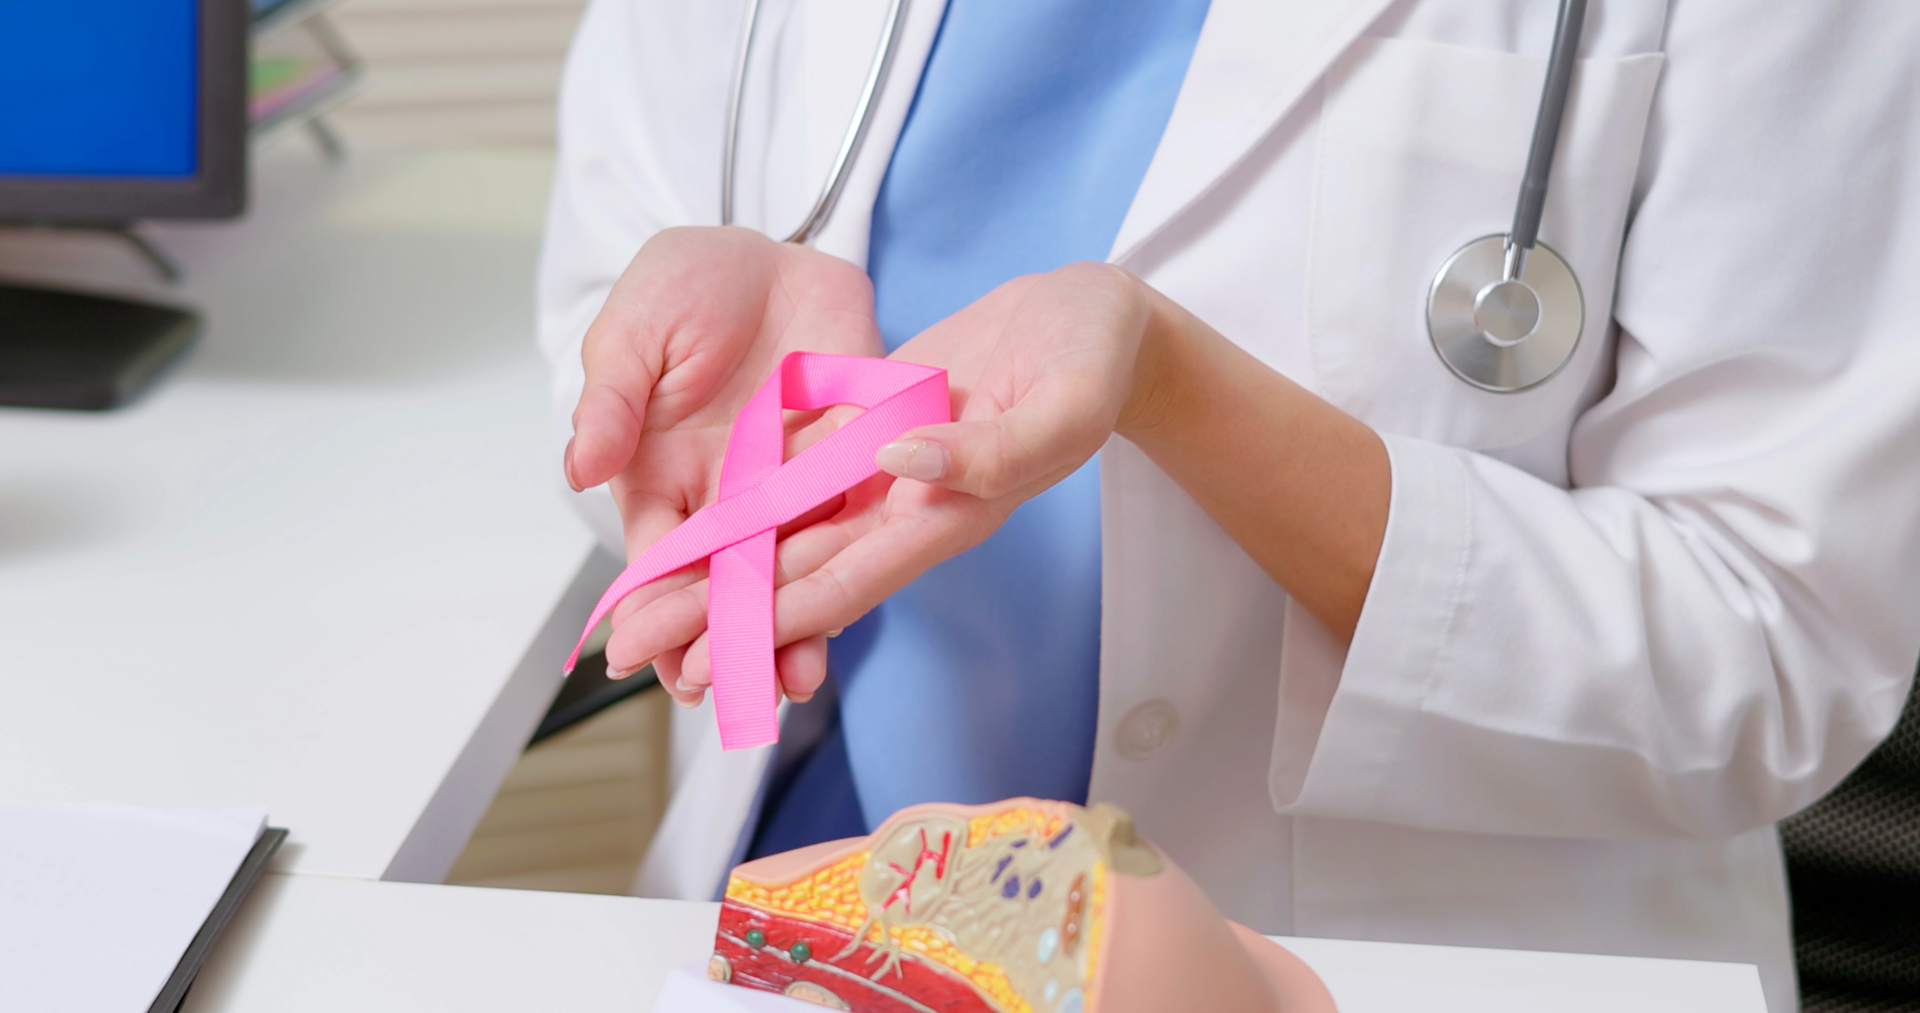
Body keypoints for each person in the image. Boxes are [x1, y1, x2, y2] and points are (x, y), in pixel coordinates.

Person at [535, 1, 1920, 1009]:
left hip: (1375, 954)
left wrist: (1176, 389)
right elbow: (621, 330)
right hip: (830, 903)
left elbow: (1768, 643)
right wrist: (705, 438)